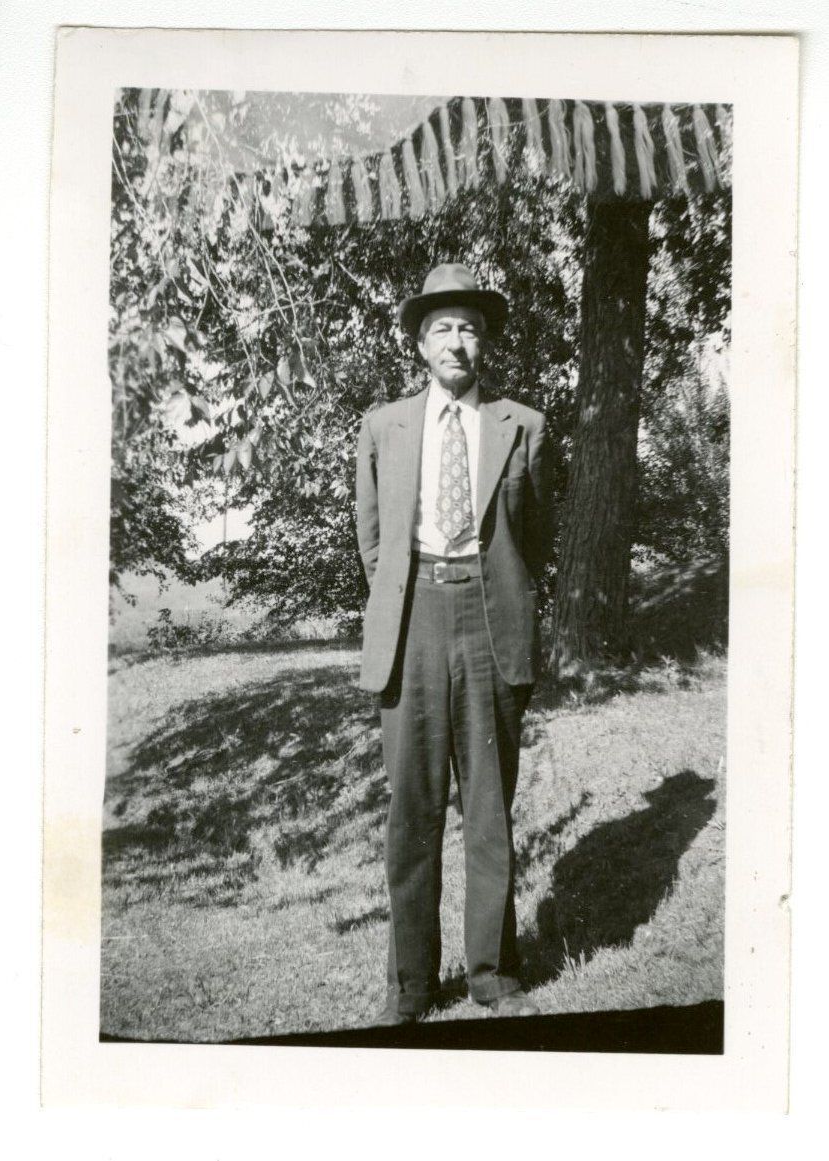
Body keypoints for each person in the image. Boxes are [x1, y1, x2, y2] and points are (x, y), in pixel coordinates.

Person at [356, 263, 553, 1026]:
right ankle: (409, 983)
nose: (456, 341)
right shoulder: (384, 426)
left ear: (484, 340)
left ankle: (492, 973)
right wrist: (408, 595)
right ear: (419, 343)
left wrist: (492, 587)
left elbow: (535, 535)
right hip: (410, 621)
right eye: (441, 327)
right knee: (412, 810)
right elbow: (373, 540)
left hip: (488, 618)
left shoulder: (521, 424)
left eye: (468, 327)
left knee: (487, 807)